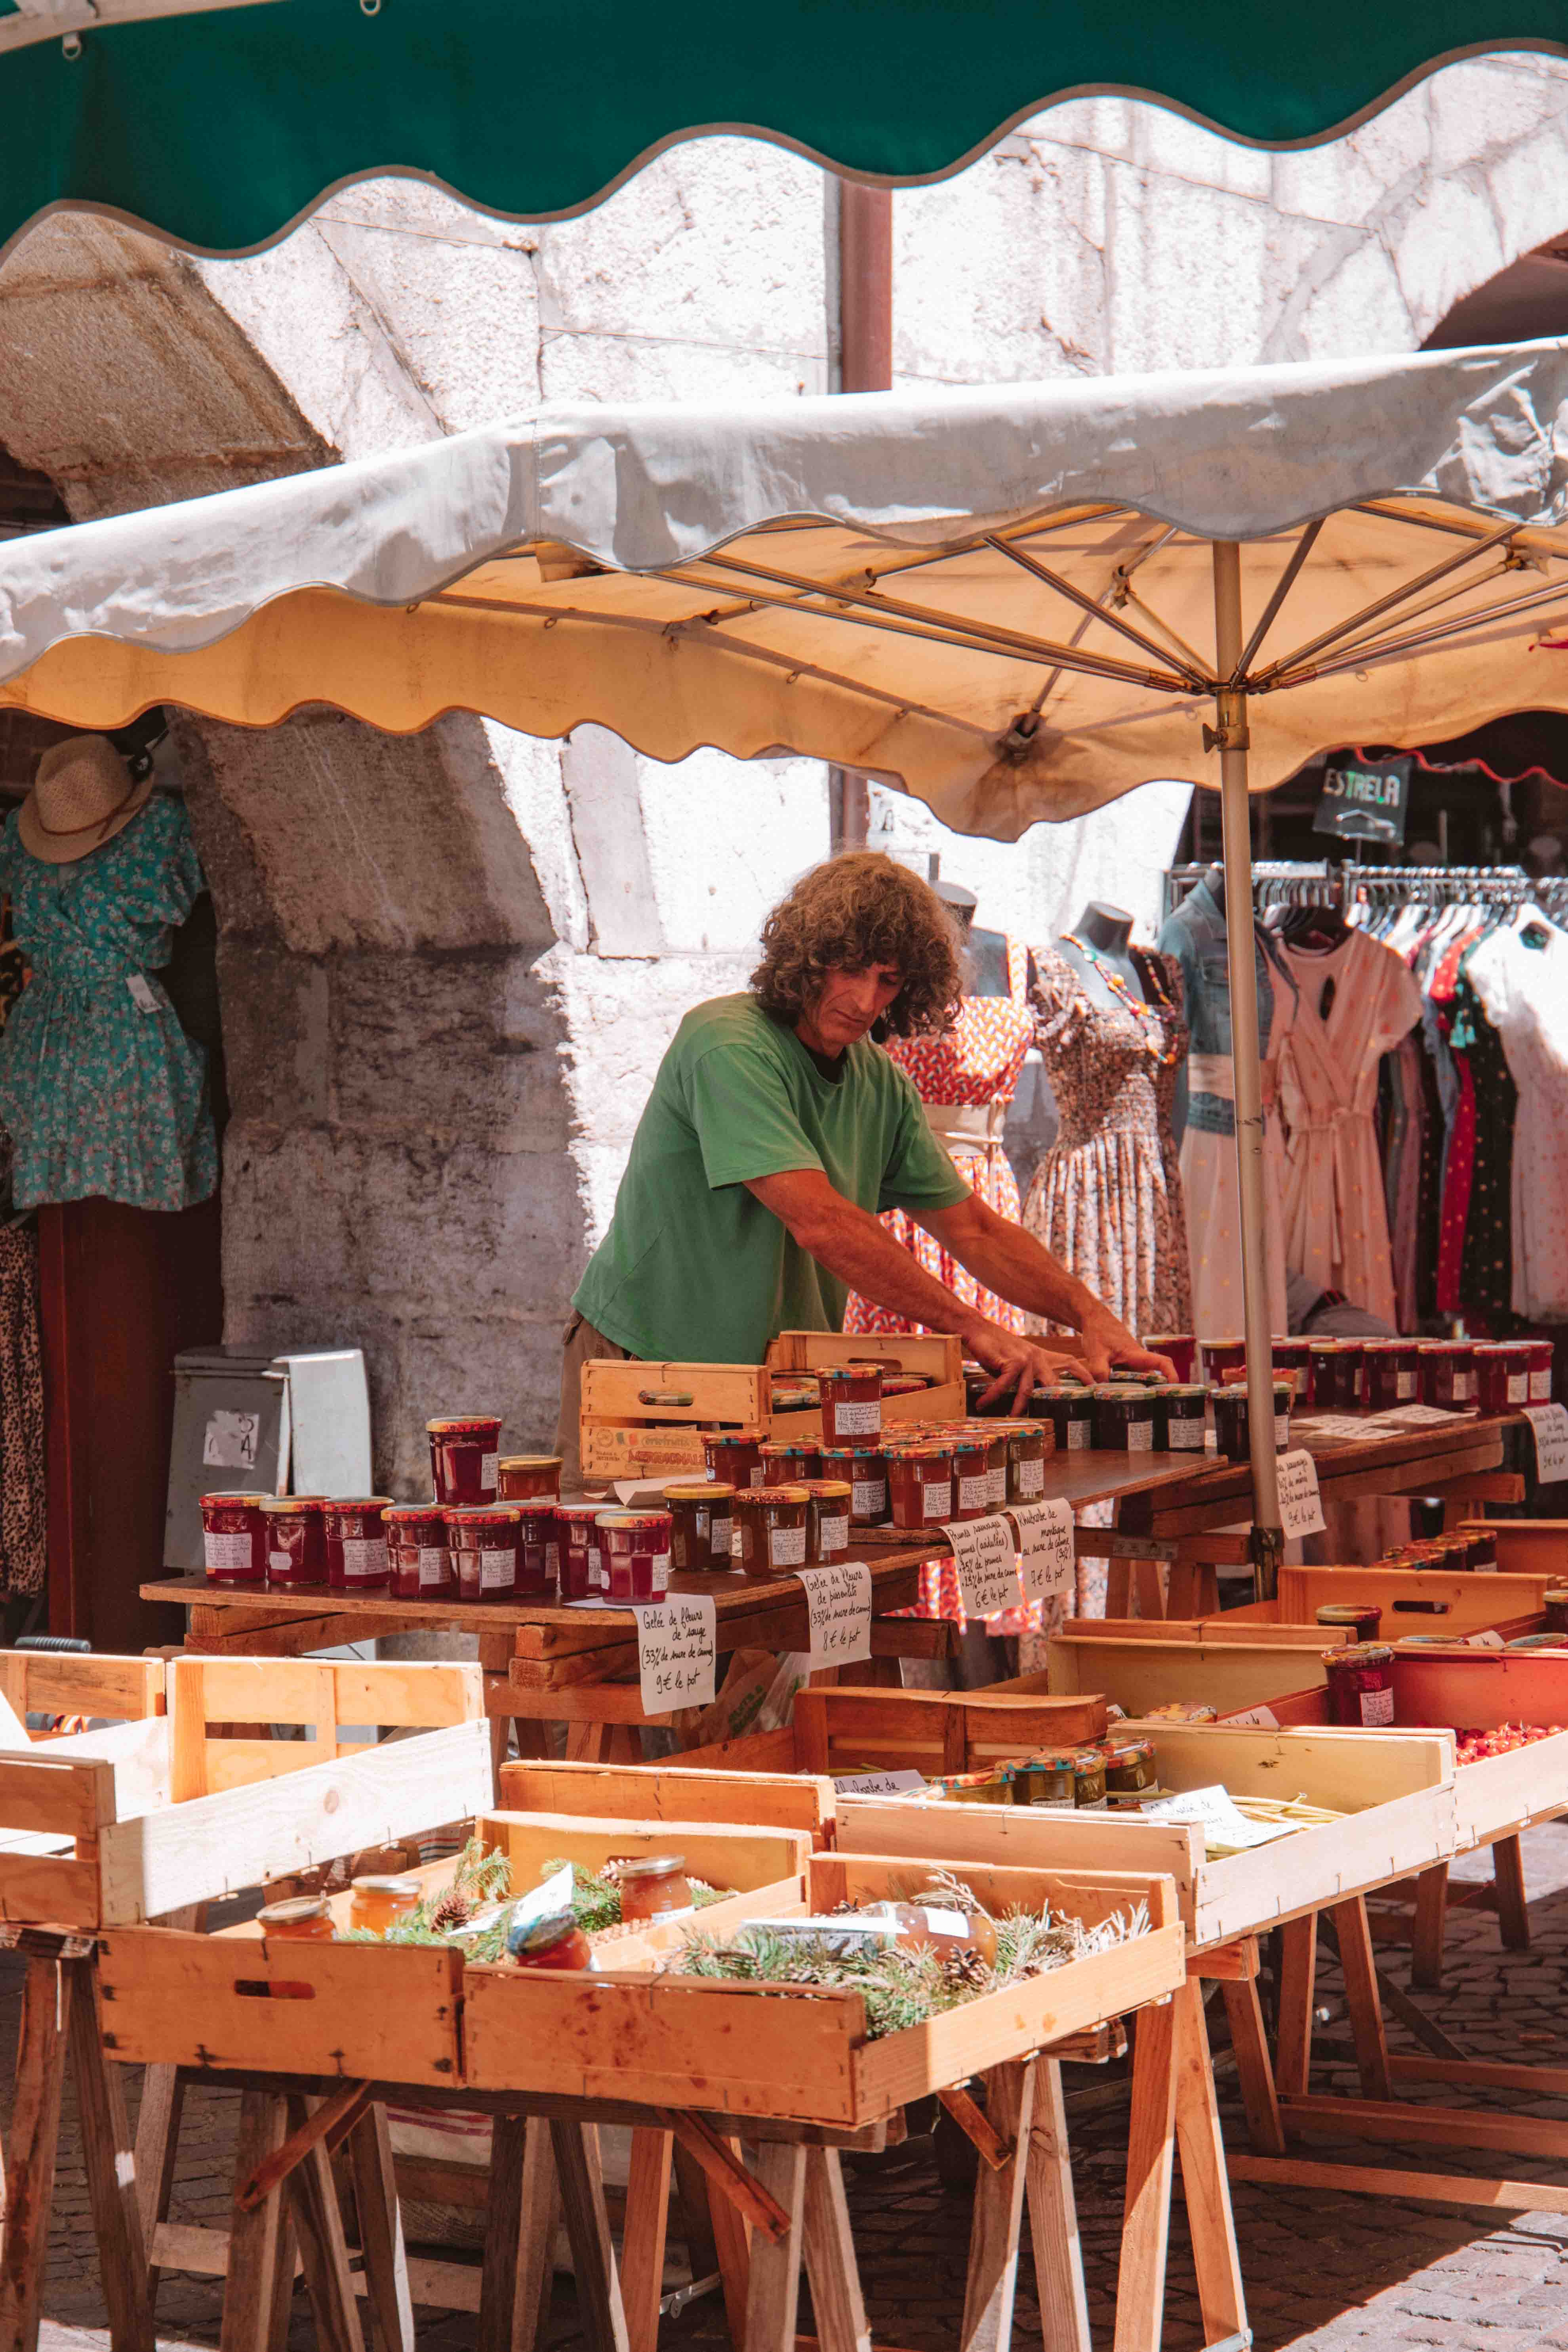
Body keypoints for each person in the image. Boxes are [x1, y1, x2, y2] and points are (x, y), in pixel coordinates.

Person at [556, 853, 1174, 1489]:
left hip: (768, 1382)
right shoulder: (727, 1042)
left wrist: (1089, 1313)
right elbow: (821, 1223)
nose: (864, 1000)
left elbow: (975, 1231)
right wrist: (973, 1328)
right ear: (806, 956)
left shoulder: (878, 1080)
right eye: (849, 969)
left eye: (888, 980)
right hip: (647, 1365)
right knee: (630, 1575)